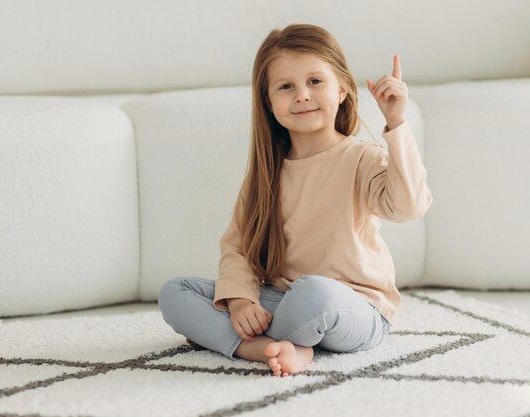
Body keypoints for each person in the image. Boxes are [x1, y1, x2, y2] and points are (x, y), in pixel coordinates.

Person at [158, 23, 432, 377]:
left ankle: (235, 340)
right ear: (269, 103)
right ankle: (274, 348)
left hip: (351, 307)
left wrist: (396, 122)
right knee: (176, 292)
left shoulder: (361, 158)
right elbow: (238, 247)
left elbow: (409, 206)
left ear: (343, 88)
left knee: (313, 292)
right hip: (282, 300)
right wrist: (241, 302)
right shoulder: (266, 173)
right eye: (286, 87)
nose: (302, 95)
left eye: (315, 82)